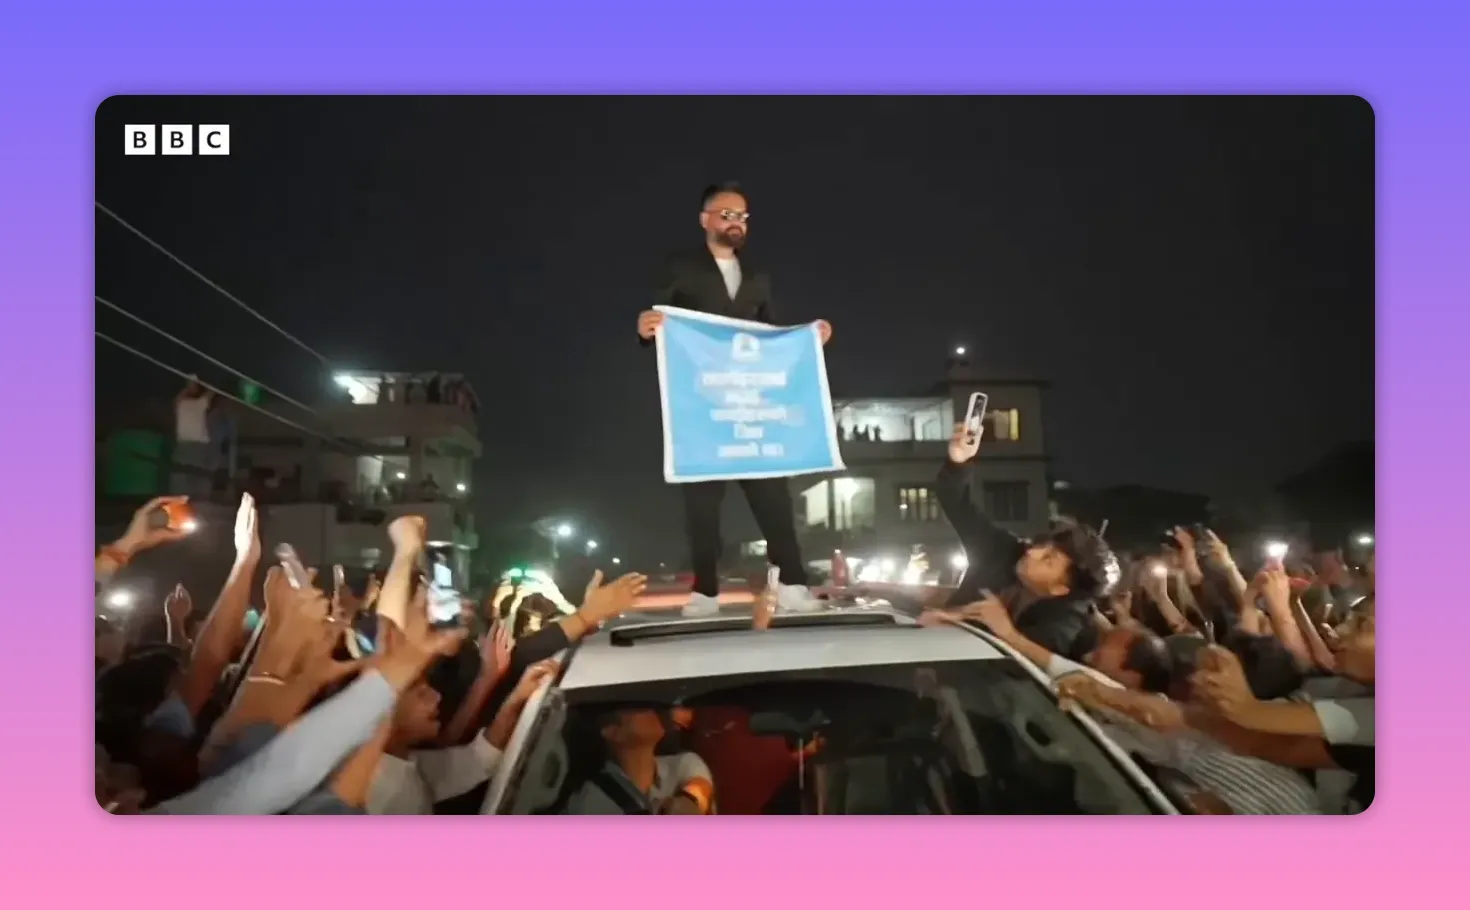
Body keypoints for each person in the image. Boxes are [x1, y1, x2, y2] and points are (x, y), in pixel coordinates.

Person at [635, 182, 832, 617]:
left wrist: (807, 339)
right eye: (726, 214)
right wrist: (645, 327)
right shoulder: (681, 268)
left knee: (774, 499)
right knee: (702, 508)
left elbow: (772, 333)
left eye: (742, 216)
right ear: (705, 220)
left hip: (751, 407)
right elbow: (662, 318)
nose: (735, 223)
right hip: (705, 410)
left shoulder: (758, 276)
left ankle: (794, 584)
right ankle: (705, 591)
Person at [935, 422, 1117, 661]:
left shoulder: (1067, 620)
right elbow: (956, 502)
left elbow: (1026, 664)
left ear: (1060, 589)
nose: (1033, 552)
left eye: (1048, 560)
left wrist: (972, 622)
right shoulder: (1004, 550)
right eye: (1045, 546)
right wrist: (959, 462)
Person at [172, 378, 214, 497]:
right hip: (191, 445)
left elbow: (209, 395)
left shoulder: (195, 404)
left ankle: (196, 501)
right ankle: (189, 502)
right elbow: (210, 394)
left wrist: (192, 386)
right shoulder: (186, 404)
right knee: (188, 477)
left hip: (192, 445)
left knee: (192, 477)